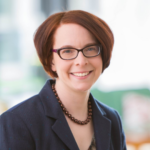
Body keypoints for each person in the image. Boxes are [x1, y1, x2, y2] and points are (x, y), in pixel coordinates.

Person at [0, 10, 127, 150]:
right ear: (51, 61)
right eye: (67, 51)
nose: (81, 61)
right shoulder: (16, 122)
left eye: (90, 48)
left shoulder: (112, 118)